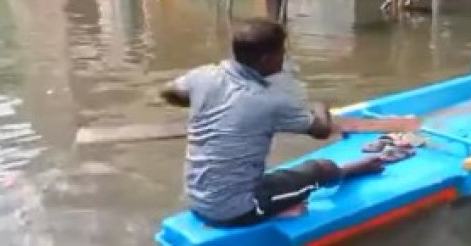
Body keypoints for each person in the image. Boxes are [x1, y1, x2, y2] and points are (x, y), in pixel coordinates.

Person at [160, 18, 384, 227]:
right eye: (282, 54)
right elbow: (321, 130)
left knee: (267, 173)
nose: (284, 59)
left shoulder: (203, 76)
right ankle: (348, 172)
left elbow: (167, 92)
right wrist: (320, 106)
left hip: (194, 197)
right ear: (265, 60)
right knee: (322, 168)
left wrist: (203, 104)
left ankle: (283, 199)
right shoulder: (270, 100)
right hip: (237, 210)